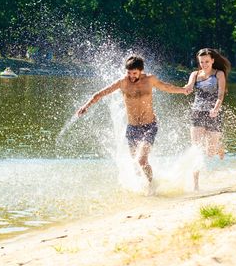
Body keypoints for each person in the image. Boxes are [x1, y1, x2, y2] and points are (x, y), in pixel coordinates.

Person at [77, 55, 190, 187]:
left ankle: (151, 187)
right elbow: (101, 93)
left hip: (149, 126)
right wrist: (86, 106)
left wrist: (183, 90)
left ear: (141, 70)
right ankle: (141, 188)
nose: (131, 76)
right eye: (129, 73)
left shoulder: (150, 80)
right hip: (132, 128)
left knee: (142, 160)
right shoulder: (123, 83)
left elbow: (167, 87)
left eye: (134, 73)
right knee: (136, 164)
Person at [184, 48, 231, 190]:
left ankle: (218, 147)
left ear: (212, 61)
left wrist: (216, 109)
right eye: (201, 62)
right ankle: (195, 185)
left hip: (213, 114)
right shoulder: (195, 74)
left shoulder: (219, 74)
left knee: (210, 152)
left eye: (206, 61)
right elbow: (190, 86)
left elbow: (220, 95)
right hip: (197, 113)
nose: (204, 64)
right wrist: (186, 88)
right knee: (196, 149)